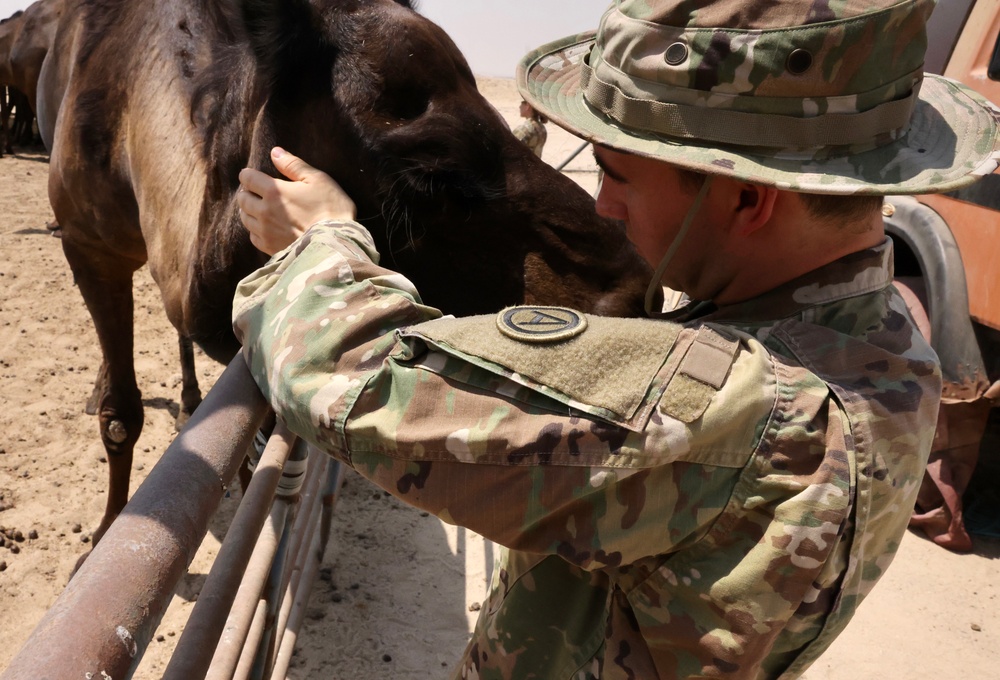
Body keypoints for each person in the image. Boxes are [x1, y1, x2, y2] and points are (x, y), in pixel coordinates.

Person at [233, 0, 1000, 677]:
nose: (602, 207)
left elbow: (348, 381)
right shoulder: (893, 336)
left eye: (617, 174)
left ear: (745, 197)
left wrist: (323, 244)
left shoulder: (721, 407)